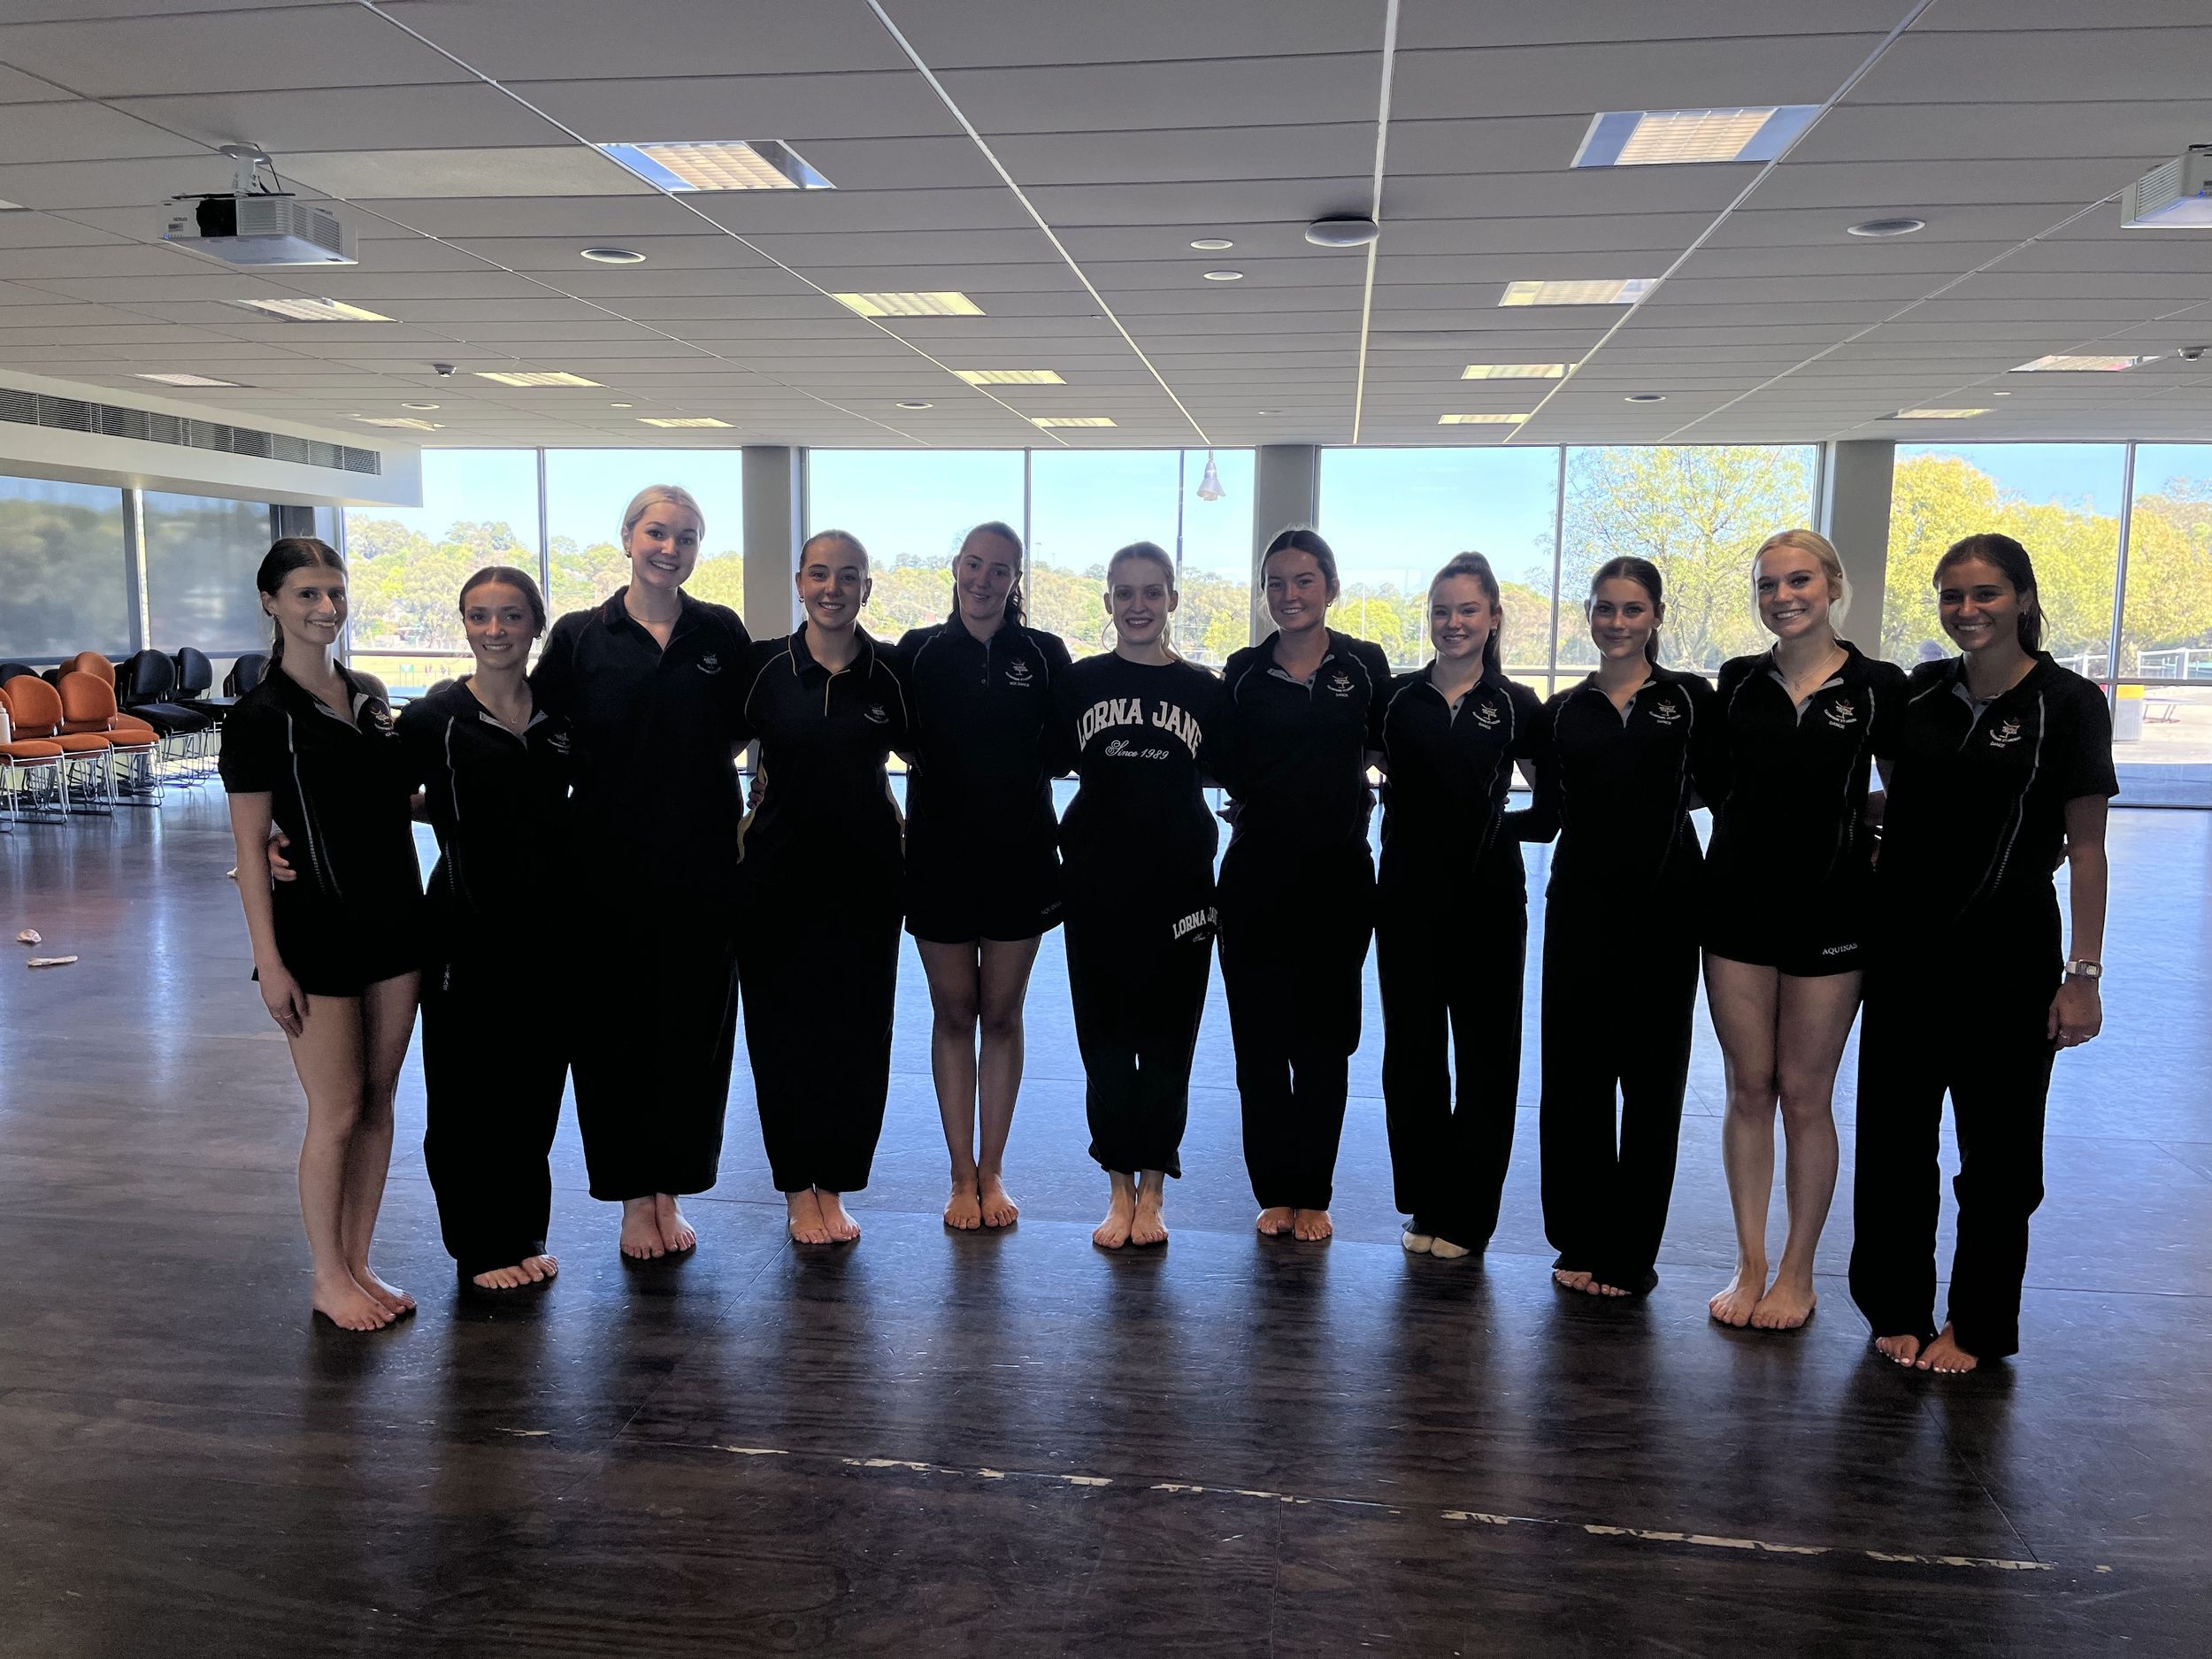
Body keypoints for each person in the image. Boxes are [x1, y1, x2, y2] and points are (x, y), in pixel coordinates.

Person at [1850, 533, 2114, 1374]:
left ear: (2023, 599)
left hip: (2009, 957)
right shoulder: (1922, 691)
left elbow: (2087, 848)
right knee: (1894, 1141)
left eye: (1985, 593)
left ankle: (1979, 1321)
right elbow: (1901, 796)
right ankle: (1895, 1303)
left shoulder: (2069, 703)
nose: (1966, 610)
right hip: (1905, 952)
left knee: (1999, 1156)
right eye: (1951, 595)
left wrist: (2083, 974)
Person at [531, 485, 750, 1262]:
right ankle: (633, 1195)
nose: (670, 548)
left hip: (703, 865)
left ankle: (672, 1187)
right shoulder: (581, 636)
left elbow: (750, 727)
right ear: (627, 538)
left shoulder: (719, 630)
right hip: (606, 866)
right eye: (657, 532)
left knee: (694, 1030)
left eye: (686, 537)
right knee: (615, 1033)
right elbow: (532, 735)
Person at [1704, 530, 1909, 1332]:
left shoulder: (1878, 686)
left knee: (1804, 1092)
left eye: (1798, 581)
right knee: (1748, 1087)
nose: (1783, 597)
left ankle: (1798, 1269)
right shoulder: (1737, 681)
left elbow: (1911, 794)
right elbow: (1719, 784)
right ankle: (1750, 1260)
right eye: (1768, 585)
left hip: (1832, 910)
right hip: (1736, 908)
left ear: (1833, 586)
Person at [220, 538, 423, 1332]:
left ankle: (359, 1261)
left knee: (378, 1102)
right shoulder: (259, 717)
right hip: (318, 931)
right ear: (271, 602)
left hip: (396, 921)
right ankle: (326, 1274)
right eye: (307, 594)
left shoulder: (369, 695)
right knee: (336, 1110)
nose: (326, 608)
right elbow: (250, 849)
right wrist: (268, 962)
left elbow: (394, 798)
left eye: (334, 592)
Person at [1512, 556, 1724, 1298]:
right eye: (1605, 608)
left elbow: (1723, 790)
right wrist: (1456, 825)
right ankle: (1581, 1235)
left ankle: (1631, 1251)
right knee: (1576, 1074)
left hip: (1668, 906)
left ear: (1657, 615)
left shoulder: (1691, 698)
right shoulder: (1560, 711)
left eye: (1633, 608)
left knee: (1653, 1080)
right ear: (1589, 614)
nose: (1617, 622)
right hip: (1580, 906)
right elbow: (1546, 814)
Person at [397, 568, 573, 1291]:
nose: (495, 630)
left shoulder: (561, 715)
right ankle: (477, 1245)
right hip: (465, 927)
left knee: (534, 1086)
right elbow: (370, 794)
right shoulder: (434, 718)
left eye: (510, 615)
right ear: (465, 625)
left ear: (536, 624)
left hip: (550, 928)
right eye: (479, 616)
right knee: (467, 1092)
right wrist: (276, 839)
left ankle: (523, 1230)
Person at [735, 530, 911, 1247]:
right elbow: (696, 751)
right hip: (774, 879)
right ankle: (794, 1187)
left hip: (867, 881)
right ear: (799, 583)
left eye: (847, 576)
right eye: (819, 574)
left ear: (866, 587)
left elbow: (942, 758)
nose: (832, 588)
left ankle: (833, 1183)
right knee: (782, 1036)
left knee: (857, 1036)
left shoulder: (891, 672)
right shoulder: (762, 668)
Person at [895, 521, 1071, 1233]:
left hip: (1020, 860)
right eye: (974, 564)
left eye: (1000, 569)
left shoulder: (1045, 654)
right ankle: (959, 1172)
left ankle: (992, 1170)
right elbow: (887, 735)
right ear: (956, 566)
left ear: (1015, 579)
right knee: (953, 1013)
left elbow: (1065, 748)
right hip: (938, 861)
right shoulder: (917, 651)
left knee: (1001, 1015)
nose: (984, 579)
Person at [1055, 541, 1233, 1249]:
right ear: (1107, 602)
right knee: (1103, 1041)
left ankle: (1153, 1187)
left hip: (1180, 889)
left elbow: (1247, 771)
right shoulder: (1080, 683)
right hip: (1096, 885)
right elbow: (1030, 759)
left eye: (1151, 592)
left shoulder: (1204, 690)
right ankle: (1117, 1187)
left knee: (1167, 1043)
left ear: (1172, 601)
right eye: (1124, 593)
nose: (1138, 605)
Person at [1218, 527, 1392, 1242]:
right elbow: (1223, 757)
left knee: (1323, 1044)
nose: (1288, 595)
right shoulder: (1243, 669)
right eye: (1276, 583)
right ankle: (1275, 1189)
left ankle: (1312, 1191)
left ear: (1331, 586)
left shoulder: (1365, 663)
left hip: (1338, 881)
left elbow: (1389, 749)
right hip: (1255, 880)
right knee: (1259, 1044)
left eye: (1303, 580)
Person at [1373, 553, 1542, 1261]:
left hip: (1489, 899)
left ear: (1493, 617)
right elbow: (1338, 769)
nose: (1454, 622)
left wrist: (1491, 827)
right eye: (1442, 610)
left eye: (1468, 609)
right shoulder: (1396, 699)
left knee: (1484, 1058)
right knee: (1411, 1052)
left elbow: (1554, 805)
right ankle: (1425, 1199)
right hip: (1405, 898)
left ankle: (1469, 1214)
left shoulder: (1518, 704)